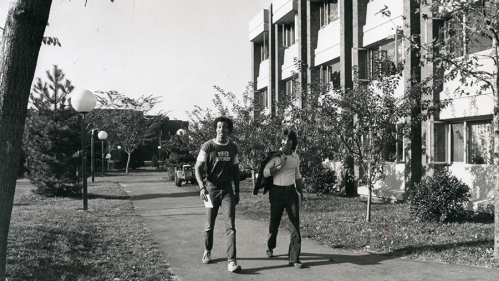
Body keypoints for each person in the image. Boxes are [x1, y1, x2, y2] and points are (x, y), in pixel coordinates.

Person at [194, 116, 242, 273]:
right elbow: (198, 168)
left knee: (231, 226)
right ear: (216, 129)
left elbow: (236, 171)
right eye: (219, 127)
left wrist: (237, 191)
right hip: (210, 190)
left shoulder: (233, 147)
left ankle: (231, 261)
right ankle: (207, 250)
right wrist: (202, 188)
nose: (222, 130)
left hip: (227, 190)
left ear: (229, 130)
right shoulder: (207, 146)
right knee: (209, 224)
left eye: (225, 127)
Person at [263, 128, 304, 268]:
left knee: (295, 224)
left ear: (293, 142)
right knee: (274, 222)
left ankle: (294, 258)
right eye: (284, 139)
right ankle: (270, 246)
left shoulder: (295, 157)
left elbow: (297, 176)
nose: (286, 142)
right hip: (276, 192)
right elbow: (265, 173)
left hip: (291, 192)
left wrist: (301, 194)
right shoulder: (276, 156)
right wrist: (278, 166)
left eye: (289, 140)